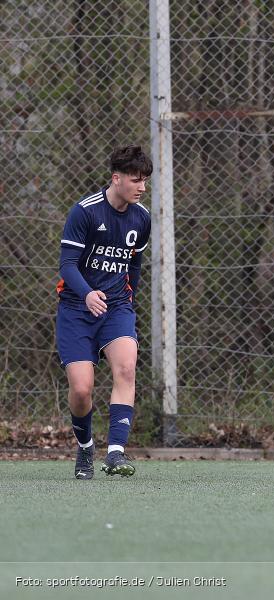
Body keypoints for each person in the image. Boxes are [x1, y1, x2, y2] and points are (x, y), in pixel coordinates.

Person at [56, 145, 152, 479]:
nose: (142, 187)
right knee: (82, 390)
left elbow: (135, 267)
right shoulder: (85, 211)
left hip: (116, 309)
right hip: (76, 309)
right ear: (116, 178)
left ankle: (115, 454)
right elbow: (67, 266)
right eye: (136, 180)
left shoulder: (142, 218)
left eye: (145, 181)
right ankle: (84, 449)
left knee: (126, 367)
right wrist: (86, 294)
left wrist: (128, 304)